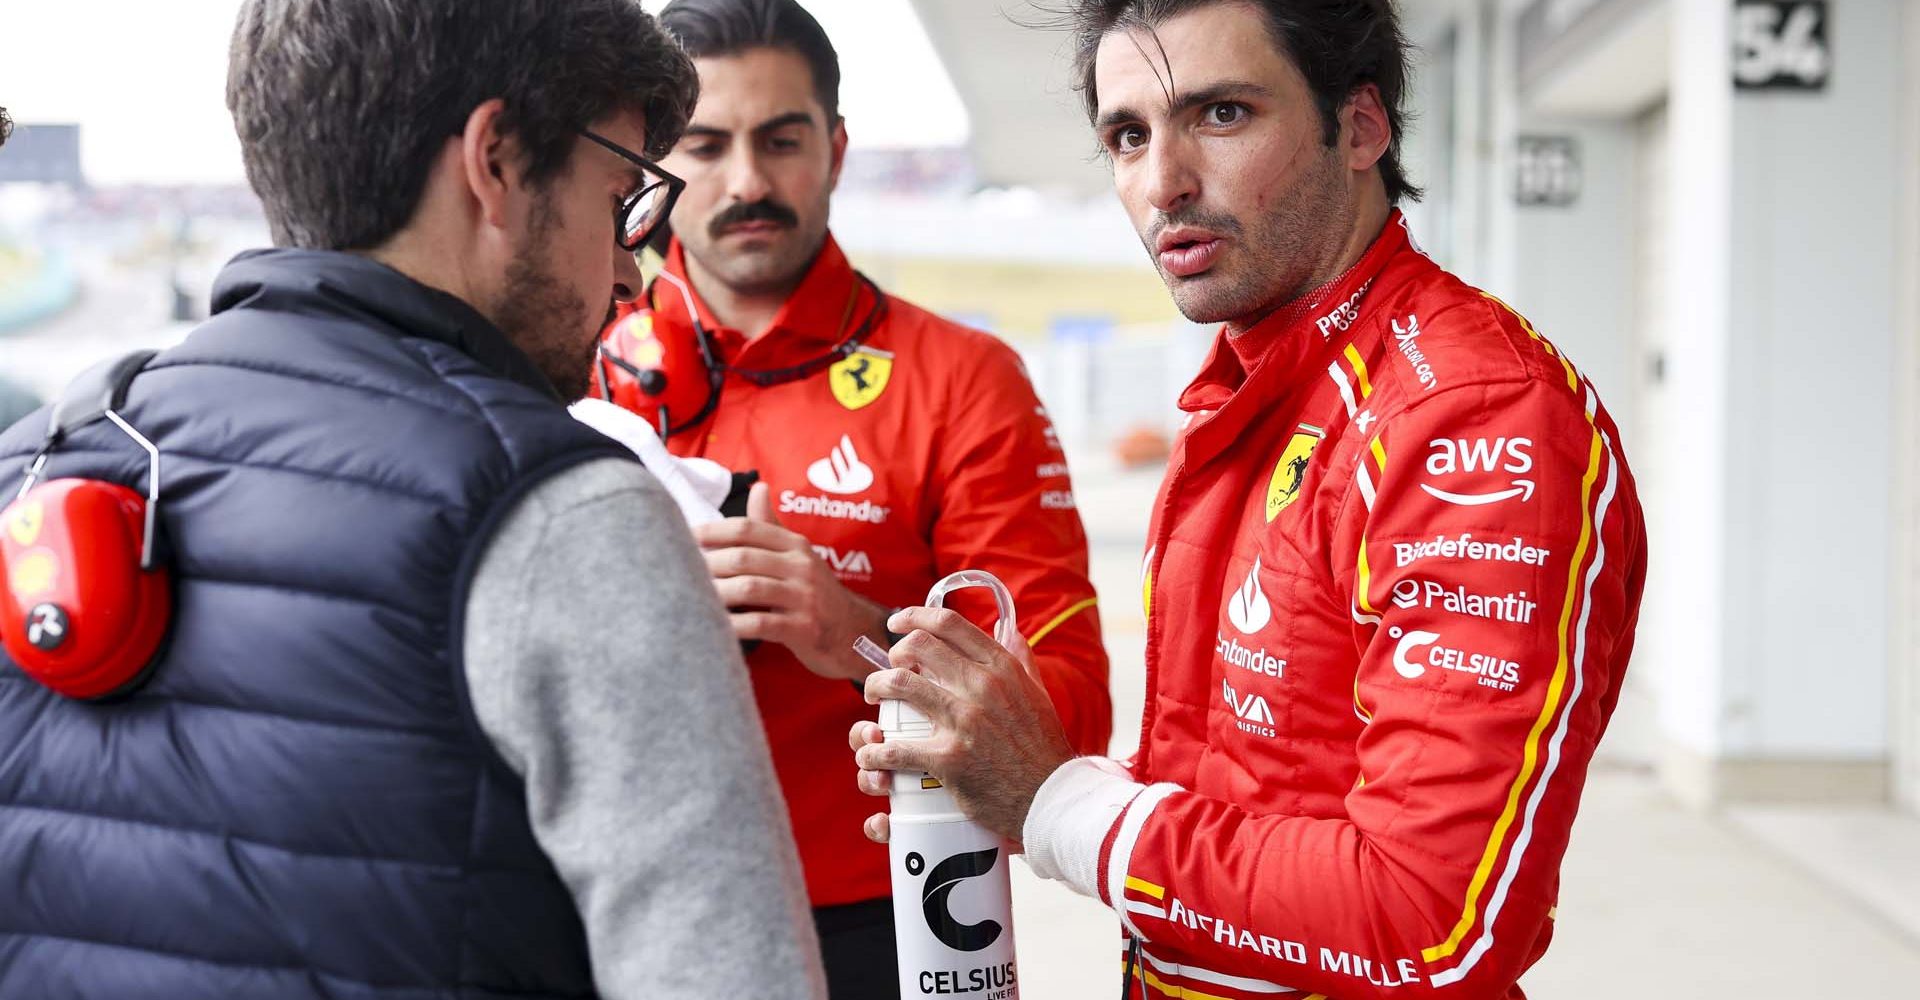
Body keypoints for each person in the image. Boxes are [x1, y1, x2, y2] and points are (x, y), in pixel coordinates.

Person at [0, 2, 825, 998]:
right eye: (621, 202)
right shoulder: (565, 515)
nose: (625, 270)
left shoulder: (37, 465)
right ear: (496, 161)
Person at [851, 1, 1647, 997]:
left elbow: (1435, 918)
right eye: (1128, 136)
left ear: (1360, 126)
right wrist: (997, 744)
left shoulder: (1473, 419)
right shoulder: (1254, 389)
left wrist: (1055, 802)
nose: (1162, 183)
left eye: (1221, 114)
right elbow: (1238, 794)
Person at [592, 0, 1113, 993]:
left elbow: (1074, 724)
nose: (747, 182)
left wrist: (857, 634)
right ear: (652, 162)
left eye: (781, 140)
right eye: (705, 146)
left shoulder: (965, 378)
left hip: (892, 915)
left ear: (834, 148)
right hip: (627, 912)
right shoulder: (577, 370)